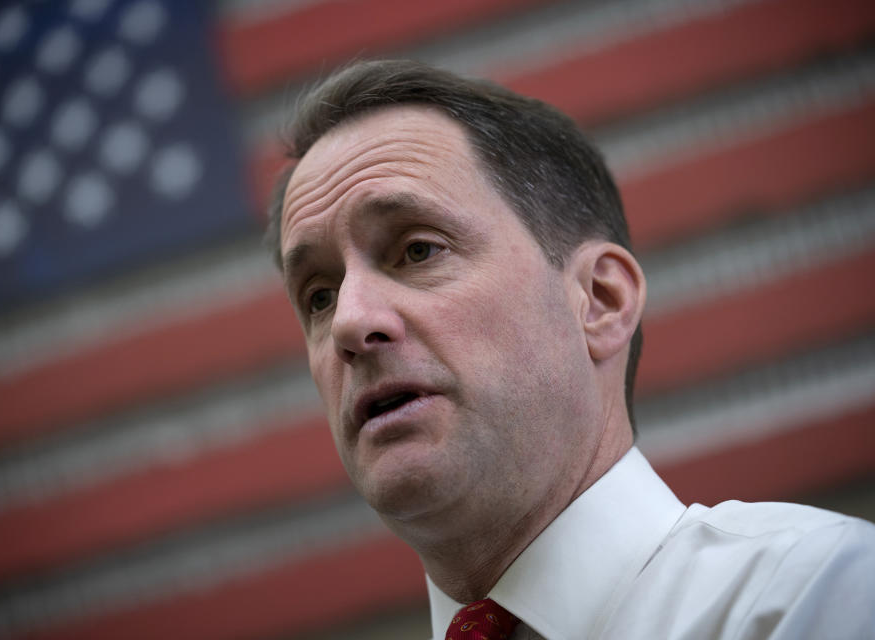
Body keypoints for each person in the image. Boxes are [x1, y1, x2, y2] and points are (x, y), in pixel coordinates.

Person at [266, 59, 875, 639]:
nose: (349, 321)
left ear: (601, 301)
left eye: (418, 249)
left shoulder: (813, 596)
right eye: (319, 296)